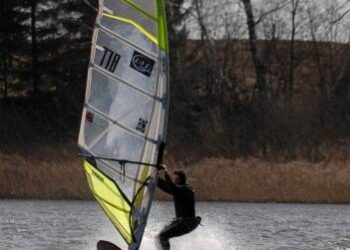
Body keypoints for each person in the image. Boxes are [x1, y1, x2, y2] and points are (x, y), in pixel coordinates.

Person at [156, 165, 201, 250]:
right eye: (174, 179)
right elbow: (167, 186)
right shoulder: (178, 189)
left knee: (163, 236)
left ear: (182, 180)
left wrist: (165, 172)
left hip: (187, 223)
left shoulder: (186, 189)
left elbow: (173, 188)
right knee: (159, 237)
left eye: (177, 179)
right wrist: (155, 178)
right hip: (180, 222)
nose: (175, 181)